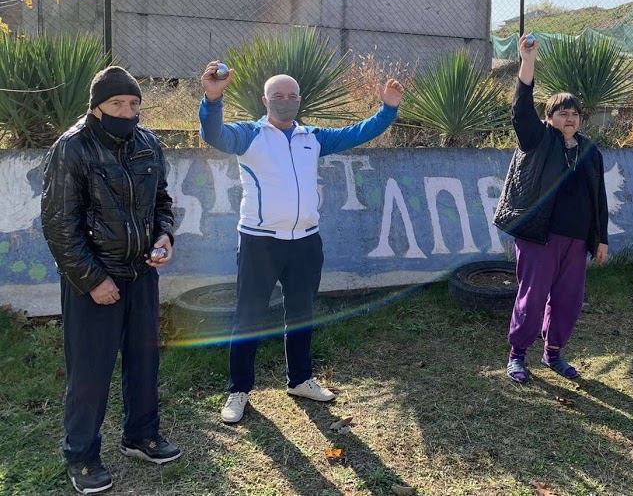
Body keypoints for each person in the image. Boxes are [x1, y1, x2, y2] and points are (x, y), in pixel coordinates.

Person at [198, 61, 404, 424]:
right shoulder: (250, 135)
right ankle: (238, 390)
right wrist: (212, 100)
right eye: (278, 95)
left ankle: (299, 380)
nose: (286, 100)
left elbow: (358, 133)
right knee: (249, 317)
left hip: (306, 242)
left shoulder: (312, 137)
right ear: (265, 100)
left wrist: (387, 109)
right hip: (260, 242)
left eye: (292, 96)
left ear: (300, 100)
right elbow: (215, 136)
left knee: (301, 313)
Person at [40, 66, 180, 495]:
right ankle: (81, 456)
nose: (127, 111)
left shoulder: (148, 142)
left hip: (142, 273)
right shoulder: (72, 147)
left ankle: (141, 436)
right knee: (90, 372)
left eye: (134, 103)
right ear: (96, 107)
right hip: (94, 280)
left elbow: (162, 201)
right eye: (117, 103)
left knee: (144, 362)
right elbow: (59, 224)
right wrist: (92, 279)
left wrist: (164, 236)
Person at [493, 36, 609, 384]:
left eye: (574, 114)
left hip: (577, 240)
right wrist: (527, 62)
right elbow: (520, 111)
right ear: (549, 117)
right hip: (539, 237)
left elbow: (599, 198)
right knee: (532, 300)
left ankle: (553, 353)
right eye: (562, 113)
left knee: (568, 301)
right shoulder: (538, 139)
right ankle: (517, 355)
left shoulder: (590, 151)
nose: (570, 118)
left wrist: (600, 239)